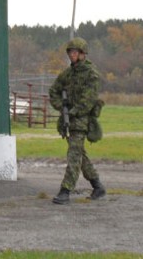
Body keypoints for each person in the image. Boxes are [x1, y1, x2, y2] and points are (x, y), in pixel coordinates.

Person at [48, 37, 106, 204]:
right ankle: (98, 186)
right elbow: (54, 91)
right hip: (68, 120)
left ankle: (65, 190)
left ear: (82, 54)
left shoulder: (91, 74)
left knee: (74, 154)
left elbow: (88, 100)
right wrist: (62, 107)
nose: (72, 55)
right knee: (79, 153)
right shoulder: (67, 74)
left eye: (75, 52)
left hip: (82, 120)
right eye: (70, 52)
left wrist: (73, 111)